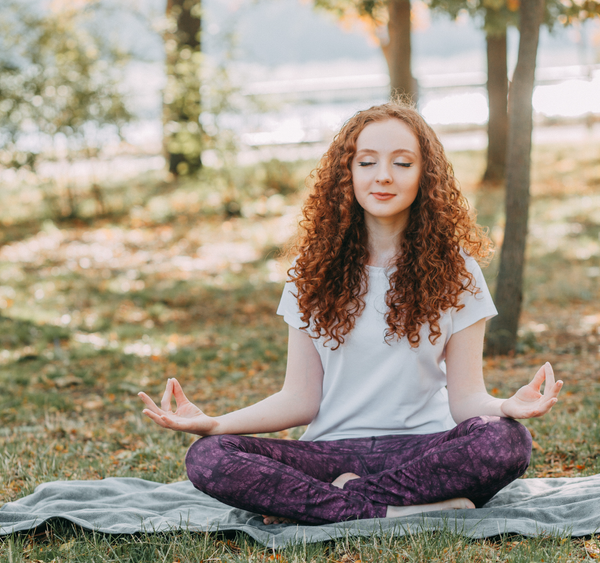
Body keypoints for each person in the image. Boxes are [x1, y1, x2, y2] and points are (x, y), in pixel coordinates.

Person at [139, 102, 563, 526]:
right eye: (367, 162)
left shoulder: (458, 271)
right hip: (329, 452)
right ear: (348, 174)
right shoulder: (312, 272)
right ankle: (405, 509)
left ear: (424, 176)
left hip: (424, 452)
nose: (383, 176)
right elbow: (299, 399)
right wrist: (215, 424)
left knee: (506, 441)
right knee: (209, 457)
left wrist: (506, 406)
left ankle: (339, 503)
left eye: (401, 162)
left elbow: (467, 399)